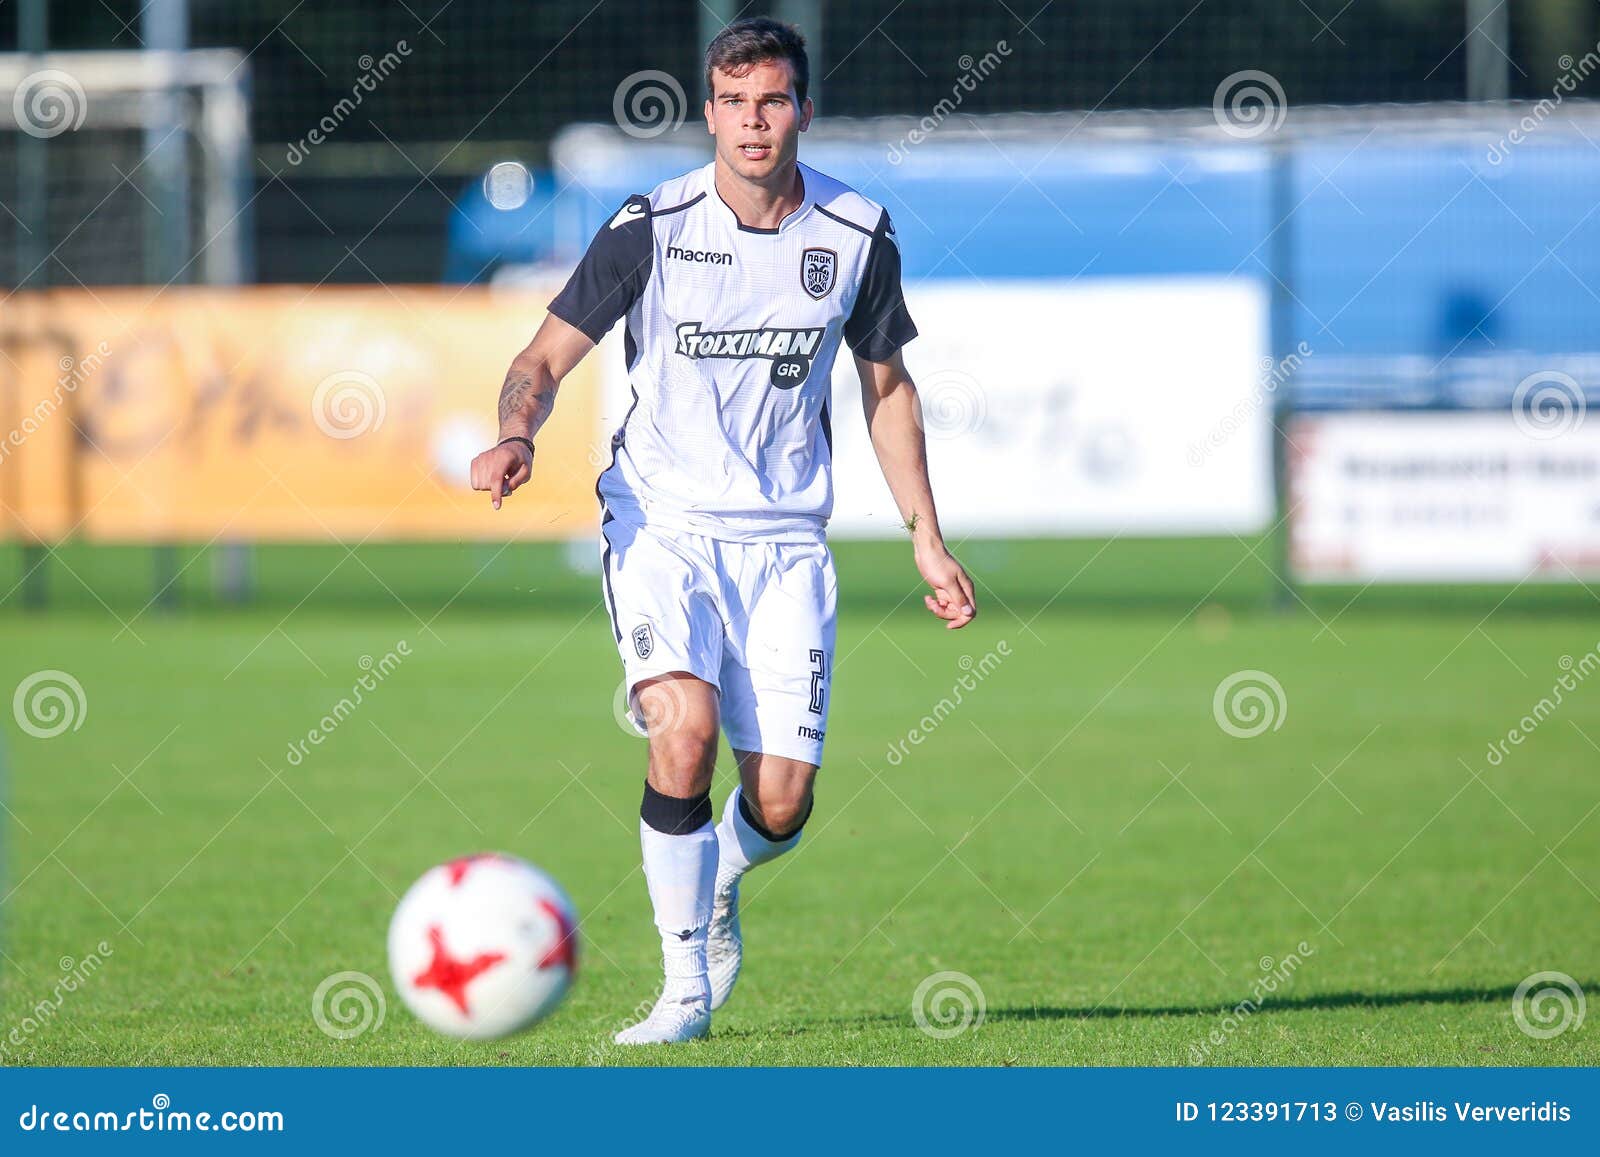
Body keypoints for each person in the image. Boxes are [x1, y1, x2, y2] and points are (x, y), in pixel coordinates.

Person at [469, 16, 976, 1044]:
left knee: (781, 802)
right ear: (708, 112)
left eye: (774, 100)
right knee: (682, 728)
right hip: (662, 525)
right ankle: (682, 992)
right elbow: (541, 359)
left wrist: (926, 535)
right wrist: (515, 433)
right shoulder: (651, 225)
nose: (754, 122)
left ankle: (714, 886)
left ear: (801, 108)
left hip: (786, 543)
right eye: (735, 102)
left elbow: (887, 390)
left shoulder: (855, 231)